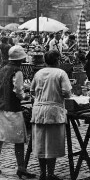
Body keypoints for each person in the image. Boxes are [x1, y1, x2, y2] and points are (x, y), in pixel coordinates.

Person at [31, 50, 72, 180]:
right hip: (54, 111)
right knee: (52, 143)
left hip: (39, 110)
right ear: (57, 60)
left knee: (41, 144)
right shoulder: (61, 73)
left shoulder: (38, 73)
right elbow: (67, 92)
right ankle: (50, 174)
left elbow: (32, 90)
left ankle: (43, 173)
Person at [0, 45, 36, 178]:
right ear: (21, 59)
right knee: (19, 140)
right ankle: (21, 168)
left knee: (0, 139)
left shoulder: (3, 69)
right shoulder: (17, 71)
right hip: (13, 109)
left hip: (1, 107)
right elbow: (18, 91)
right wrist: (26, 96)